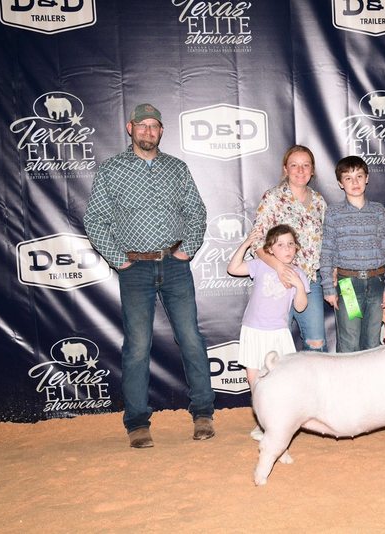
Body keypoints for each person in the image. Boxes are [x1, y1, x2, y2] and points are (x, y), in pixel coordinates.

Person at [83, 103, 215, 448]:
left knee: (190, 338)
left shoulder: (176, 167)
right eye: (141, 125)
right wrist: (119, 261)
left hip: (174, 263)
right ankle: (137, 422)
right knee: (137, 346)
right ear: (130, 129)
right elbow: (95, 219)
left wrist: (188, 248)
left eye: (153, 126)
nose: (147, 131)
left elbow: (196, 211)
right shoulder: (111, 170)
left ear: (160, 131)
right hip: (135, 268)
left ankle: (204, 413)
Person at [227, 225, 308, 440]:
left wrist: (299, 287)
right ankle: (262, 424)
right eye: (280, 245)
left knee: (281, 380)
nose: (287, 248)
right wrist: (245, 244)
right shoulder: (260, 265)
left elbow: (300, 307)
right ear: (270, 250)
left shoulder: (298, 273)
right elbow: (233, 268)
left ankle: (281, 422)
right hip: (253, 330)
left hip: (278, 333)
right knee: (255, 380)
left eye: (291, 244)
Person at [251, 145, 327, 352]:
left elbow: (324, 242)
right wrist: (279, 267)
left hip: (309, 281)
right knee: (273, 347)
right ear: (285, 169)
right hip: (277, 282)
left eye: (306, 165)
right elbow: (257, 242)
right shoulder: (273, 198)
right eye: (294, 165)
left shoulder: (319, 201)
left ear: (312, 170)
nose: (300, 170)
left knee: (316, 343)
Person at [320, 156, 385, 353]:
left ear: (367, 178)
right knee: (350, 341)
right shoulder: (334, 212)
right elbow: (327, 250)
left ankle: (370, 384)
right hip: (349, 286)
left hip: (376, 283)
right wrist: (328, 287)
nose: (355, 182)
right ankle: (347, 384)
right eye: (348, 178)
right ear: (340, 183)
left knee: (372, 342)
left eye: (359, 176)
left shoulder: (378, 211)